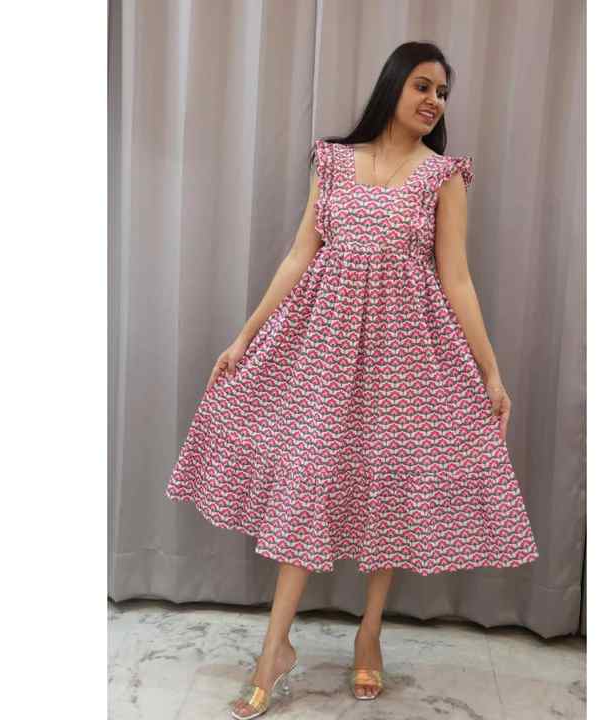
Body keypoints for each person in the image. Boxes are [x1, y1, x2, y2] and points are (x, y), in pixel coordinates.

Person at [165, 41, 539, 719]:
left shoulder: (443, 176)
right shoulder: (333, 161)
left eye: (442, 92)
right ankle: (274, 648)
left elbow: (456, 278)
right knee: (308, 480)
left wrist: (490, 371)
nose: (434, 101)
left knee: (386, 488)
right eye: (422, 86)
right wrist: (244, 337)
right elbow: (300, 253)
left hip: (406, 355)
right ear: (393, 86)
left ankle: (370, 633)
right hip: (325, 351)